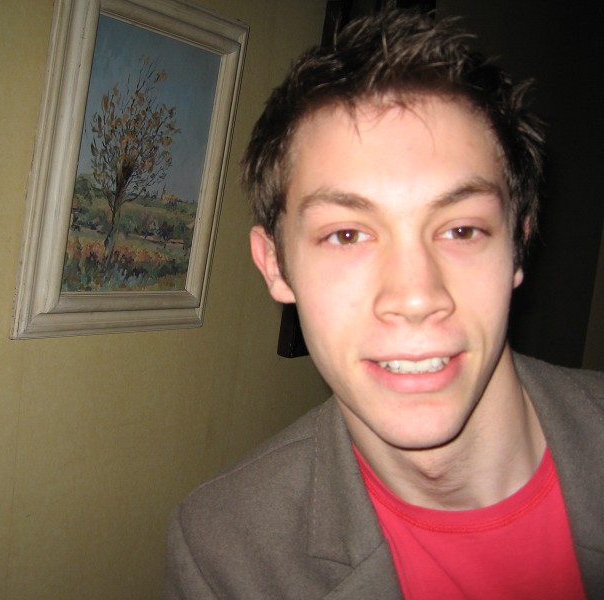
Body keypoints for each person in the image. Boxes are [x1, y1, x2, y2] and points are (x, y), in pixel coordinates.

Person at [163, 9, 604, 600]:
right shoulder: (224, 554)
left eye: (462, 230)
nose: (416, 297)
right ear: (276, 265)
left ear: (518, 247)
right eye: (346, 235)